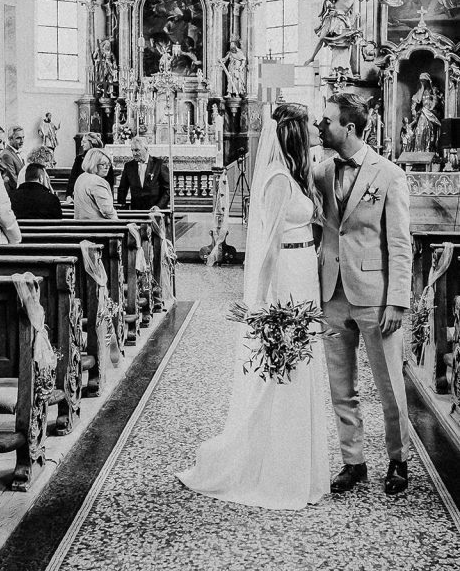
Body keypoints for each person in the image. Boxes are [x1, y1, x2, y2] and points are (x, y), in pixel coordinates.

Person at [178, 103, 330, 509]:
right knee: (285, 371)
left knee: (302, 367)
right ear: (296, 133)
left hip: (304, 274)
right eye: (311, 124)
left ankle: (298, 462)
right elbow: (266, 248)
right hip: (286, 278)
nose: (318, 128)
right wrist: (262, 304)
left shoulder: (296, 174)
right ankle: (277, 468)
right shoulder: (278, 179)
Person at [315, 93, 412, 496]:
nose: (320, 127)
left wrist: (398, 300)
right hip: (332, 293)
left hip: (375, 294)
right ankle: (353, 462)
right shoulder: (320, 172)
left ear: (349, 127)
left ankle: (399, 460)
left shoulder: (388, 174)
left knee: (389, 384)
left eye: (327, 121)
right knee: (341, 386)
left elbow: (401, 243)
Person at [117, 137, 170, 210]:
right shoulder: (129, 166)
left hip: (155, 209)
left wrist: (159, 206)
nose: (134, 153)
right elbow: (122, 189)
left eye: (136, 150)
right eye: (132, 150)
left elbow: (168, 189)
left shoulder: (159, 164)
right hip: (136, 210)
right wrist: (121, 206)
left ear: (146, 149)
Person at [66, 132, 115, 200]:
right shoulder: (79, 159)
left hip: (99, 195)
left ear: (91, 143)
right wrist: (69, 195)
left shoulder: (104, 158)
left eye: (84, 142)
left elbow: (109, 179)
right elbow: (73, 178)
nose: (81, 144)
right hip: (82, 195)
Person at [74, 148, 119, 221]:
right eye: (103, 164)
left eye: (108, 164)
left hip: (81, 224)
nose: (106, 167)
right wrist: (119, 223)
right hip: (97, 227)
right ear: (93, 164)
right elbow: (107, 211)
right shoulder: (97, 181)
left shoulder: (81, 177)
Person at [0, 123, 25, 194]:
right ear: (10, 139)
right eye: (18, 138)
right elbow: (13, 181)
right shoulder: (6, 155)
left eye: (23, 137)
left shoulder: (15, 153)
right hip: (14, 195)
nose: (22, 141)